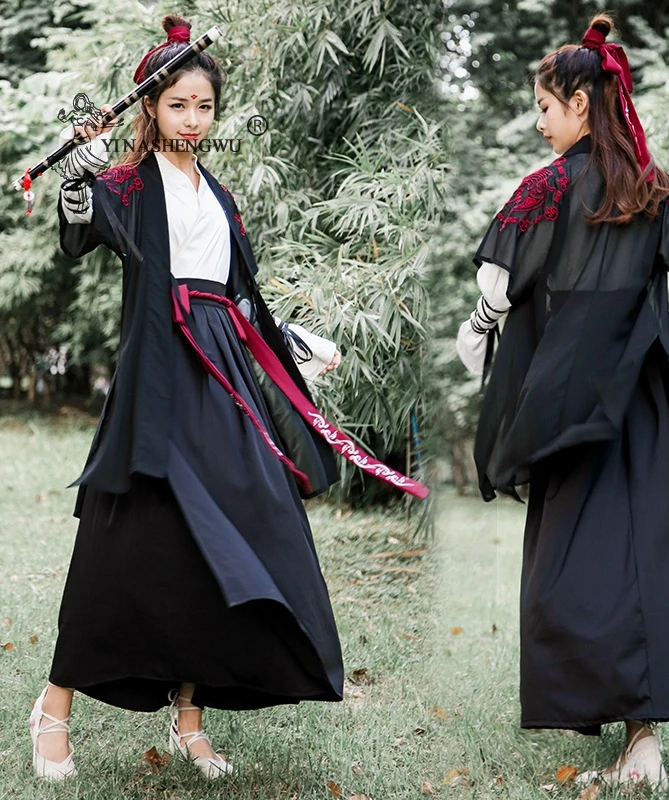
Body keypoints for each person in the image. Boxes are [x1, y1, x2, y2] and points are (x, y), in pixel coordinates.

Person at [30, 13, 348, 781]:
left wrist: (292, 340)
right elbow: (80, 233)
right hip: (159, 372)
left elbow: (236, 295)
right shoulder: (129, 182)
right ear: (151, 107)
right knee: (126, 540)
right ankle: (53, 708)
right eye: (178, 105)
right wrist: (81, 172)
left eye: (204, 106)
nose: (193, 119)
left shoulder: (221, 195)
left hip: (224, 372)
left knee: (232, 531)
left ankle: (190, 719)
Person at [456, 14, 669, 796]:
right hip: (639, 399)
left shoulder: (547, 187)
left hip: (566, 402)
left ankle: (637, 747)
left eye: (545, 107)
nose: (539, 122)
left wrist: (475, 333)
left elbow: (496, 286)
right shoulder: (650, 185)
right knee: (643, 556)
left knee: (571, 565)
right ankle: (642, 743)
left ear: (580, 103)